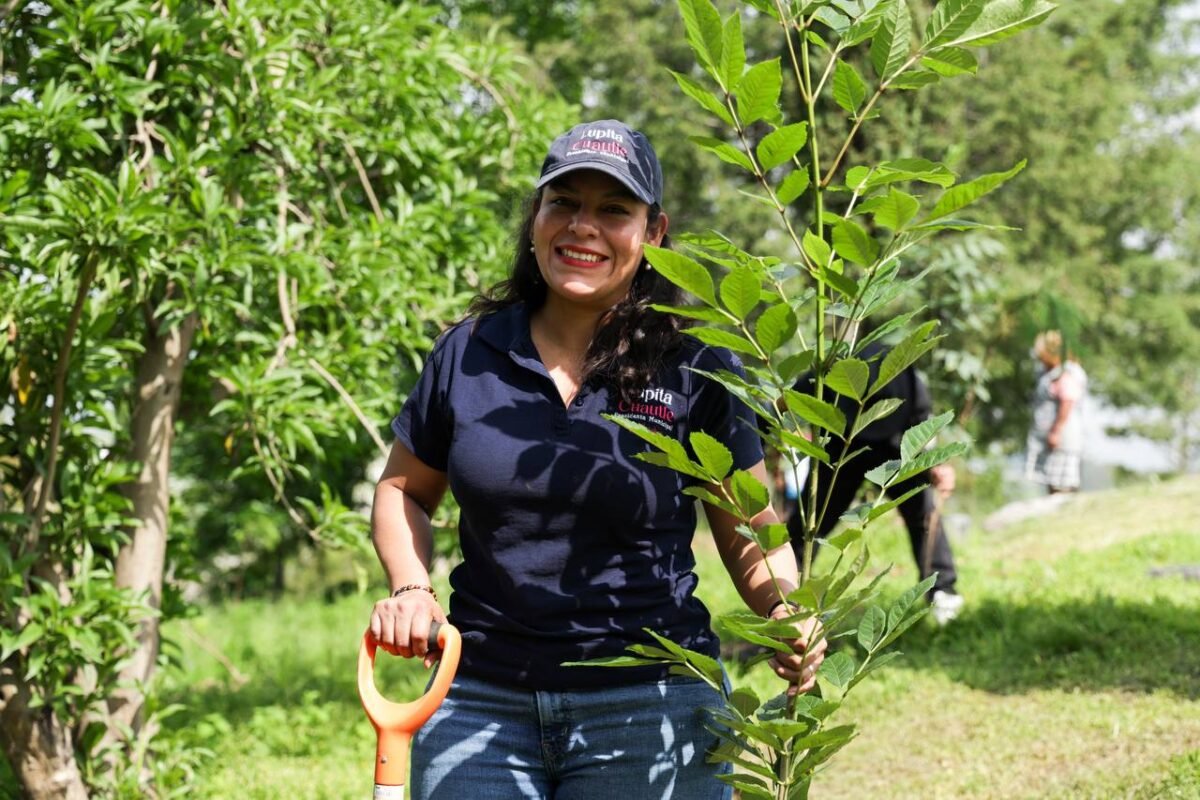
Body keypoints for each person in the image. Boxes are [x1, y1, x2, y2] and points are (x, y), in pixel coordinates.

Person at [367, 119, 825, 800]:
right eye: (565, 203)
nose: (584, 226)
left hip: (653, 707)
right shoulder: (468, 355)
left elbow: (752, 529)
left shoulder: (694, 366)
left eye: (614, 210)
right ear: (536, 218)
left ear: (654, 233)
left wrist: (783, 607)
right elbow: (402, 489)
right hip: (479, 702)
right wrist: (411, 587)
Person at [786, 339, 964, 625]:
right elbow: (792, 399)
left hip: (896, 450)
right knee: (810, 524)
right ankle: (785, 595)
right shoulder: (833, 370)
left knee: (924, 514)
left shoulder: (904, 375)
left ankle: (943, 590)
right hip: (842, 449)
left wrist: (936, 464)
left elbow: (923, 423)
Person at [1025, 330, 1088, 493]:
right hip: (1053, 437)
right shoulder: (1050, 372)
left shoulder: (1066, 373)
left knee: (1062, 484)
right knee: (1052, 480)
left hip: (1063, 438)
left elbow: (1068, 401)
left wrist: (1056, 431)